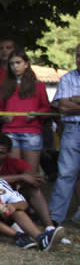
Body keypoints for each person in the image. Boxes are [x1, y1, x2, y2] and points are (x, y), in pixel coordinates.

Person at [0, 154, 60, 251]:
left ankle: (41, 238)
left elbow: (24, 204)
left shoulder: (0, 183)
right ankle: (18, 236)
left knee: (17, 211)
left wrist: (13, 206)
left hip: (1, 217)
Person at [0, 133, 55, 230]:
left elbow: (33, 178)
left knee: (33, 190)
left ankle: (50, 227)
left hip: (11, 202)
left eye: (0, 153)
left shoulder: (16, 163)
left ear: (8, 153)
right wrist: (20, 177)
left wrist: (25, 181)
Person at [0, 50, 51, 170]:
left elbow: (46, 108)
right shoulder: (5, 85)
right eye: (11, 64)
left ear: (26, 64)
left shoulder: (38, 85)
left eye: (18, 62)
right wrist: (4, 116)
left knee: (30, 173)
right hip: (10, 132)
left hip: (31, 132)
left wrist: (36, 114)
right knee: (14, 172)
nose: (15, 66)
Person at [49, 43, 80, 226]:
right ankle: (54, 218)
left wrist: (74, 99)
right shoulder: (67, 78)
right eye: (78, 55)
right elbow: (64, 107)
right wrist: (69, 103)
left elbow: (70, 104)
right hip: (73, 130)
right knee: (66, 174)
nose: (79, 59)